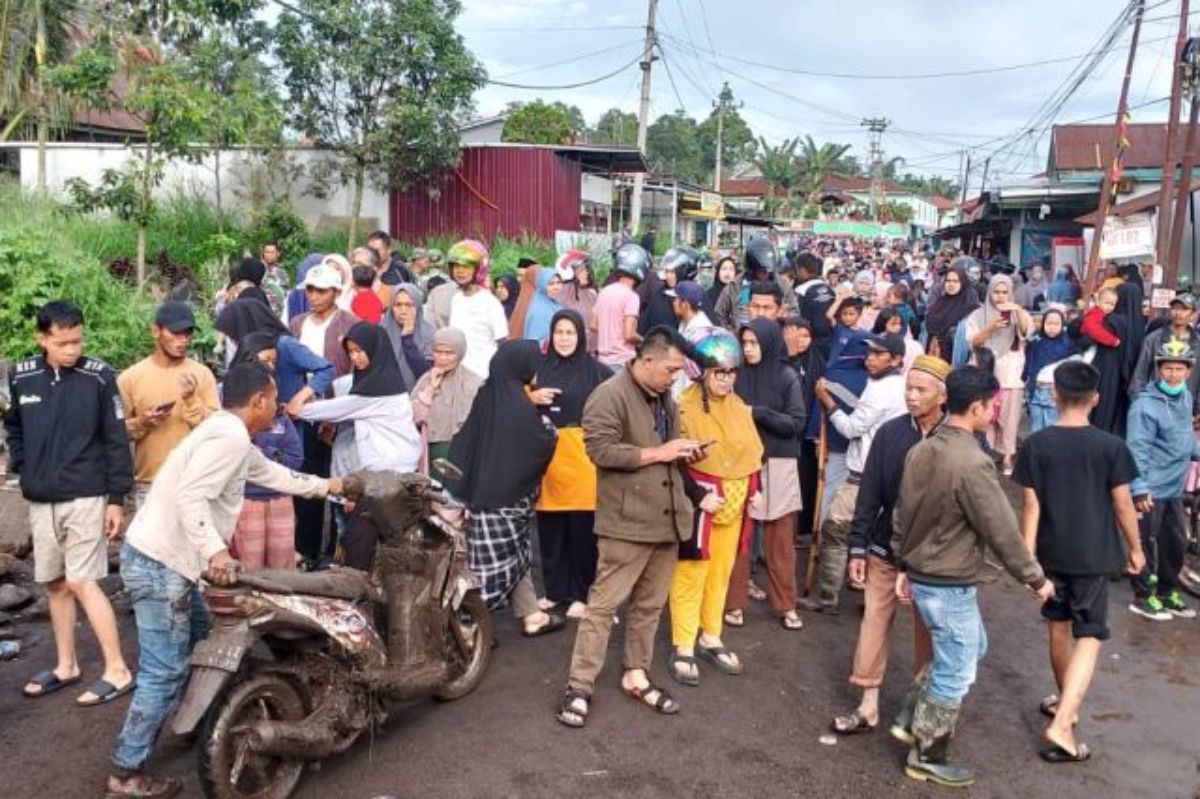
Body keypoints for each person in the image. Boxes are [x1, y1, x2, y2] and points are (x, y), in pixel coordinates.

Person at [105, 363, 342, 799]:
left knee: (201, 641)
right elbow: (190, 495)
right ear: (258, 402)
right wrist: (216, 551)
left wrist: (330, 485)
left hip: (163, 560)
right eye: (273, 398)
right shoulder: (229, 437)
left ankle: (203, 724)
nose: (276, 404)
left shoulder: (229, 432)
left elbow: (273, 474)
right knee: (164, 672)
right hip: (162, 565)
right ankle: (126, 772)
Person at [892, 365, 1053, 788]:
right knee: (957, 670)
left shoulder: (923, 448)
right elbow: (1001, 529)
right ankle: (928, 753)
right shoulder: (972, 462)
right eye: (991, 406)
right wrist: (1035, 578)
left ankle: (912, 714)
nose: (993, 412)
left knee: (970, 647)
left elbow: (900, 511)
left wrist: (903, 562)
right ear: (978, 407)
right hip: (947, 579)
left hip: (926, 572)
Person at [556, 327, 712, 728]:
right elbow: (600, 450)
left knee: (649, 606)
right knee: (603, 606)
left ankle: (635, 672)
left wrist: (684, 451)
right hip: (626, 523)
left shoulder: (664, 397)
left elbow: (669, 448)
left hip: (667, 519)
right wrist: (660, 451)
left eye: (679, 370)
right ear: (645, 361)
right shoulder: (609, 395)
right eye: (670, 369)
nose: (675, 376)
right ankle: (578, 686)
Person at [5, 301, 135, 707]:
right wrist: (25, 468)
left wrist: (116, 499)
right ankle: (66, 665)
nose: (72, 350)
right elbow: (14, 430)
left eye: (77, 341)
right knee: (55, 584)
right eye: (62, 343)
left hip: (85, 494)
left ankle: (117, 669)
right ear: (41, 339)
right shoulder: (22, 377)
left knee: (82, 580)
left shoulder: (98, 377)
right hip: (42, 497)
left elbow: (116, 439)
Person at [1015, 360, 1144, 764]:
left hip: (1051, 553)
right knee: (1090, 634)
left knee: (1058, 627)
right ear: (1096, 399)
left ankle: (1063, 704)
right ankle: (1064, 719)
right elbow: (1123, 503)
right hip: (1092, 555)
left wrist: (1026, 560)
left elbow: (1030, 505)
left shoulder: (1036, 444)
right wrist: (1136, 548)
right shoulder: (1111, 446)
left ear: (1054, 395)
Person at [831, 356, 944, 738]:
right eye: (908, 388)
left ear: (942, 396)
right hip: (883, 548)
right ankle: (868, 705)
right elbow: (870, 493)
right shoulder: (892, 433)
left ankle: (921, 708)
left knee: (928, 632)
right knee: (873, 622)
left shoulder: (956, 439)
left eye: (920, 390)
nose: (911, 396)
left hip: (931, 559)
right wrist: (858, 547)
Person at [448, 340, 563, 636]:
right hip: (505, 502)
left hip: (482, 496)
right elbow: (540, 445)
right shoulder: (518, 406)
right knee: (491, 573)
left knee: (517, 557)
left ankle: (532, 616)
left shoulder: (488, 395)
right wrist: (548, 427)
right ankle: (464, 630)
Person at [669, 331, 764, 686]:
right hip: (701, 506)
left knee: (720, 573)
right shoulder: (684, 406)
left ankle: (710, 633)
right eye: (718, 372)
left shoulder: (739, 406)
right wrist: (698, 496)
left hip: (735, 507)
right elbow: (676, 460)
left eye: (730, 372)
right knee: (691, 573)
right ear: (703, 372)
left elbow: (751, 454)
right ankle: (683, 643)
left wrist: (756, 490)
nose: (725, 379)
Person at [298, 323, 422, 569]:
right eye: (351, 352)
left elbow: (335, 409)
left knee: (360, 544)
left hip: (386, 481)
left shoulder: (376, 394)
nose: (355, 357)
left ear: (376, 351)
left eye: (360, 351)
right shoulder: (383, 384)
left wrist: (297, 406)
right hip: (388, 477)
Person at [803, 333, 907, 613]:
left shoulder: (884, 389)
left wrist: (828, 401)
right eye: (870, 353)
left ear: (895, 359)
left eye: (878, 354)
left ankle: (827, 597)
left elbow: (852, 428)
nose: (870, 358)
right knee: (876, 538)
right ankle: (870, 599)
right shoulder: (895, 385)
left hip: (866, 473)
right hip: (891, 472)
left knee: (836, 529)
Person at [727, 319, 806, 630]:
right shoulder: (735, 375)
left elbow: (796, 422)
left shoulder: (786, 376)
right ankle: (734, 603)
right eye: (744, 343)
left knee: (780, 540)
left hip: (779, 463)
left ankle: (786, 604)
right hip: (741, 463)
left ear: (769, 343)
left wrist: (757, 412)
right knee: (739, 536)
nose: (748, 349)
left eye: (754, 343)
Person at [533, 310, 613, 619]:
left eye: (570, 332)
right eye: (559, 332)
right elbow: (517, 401)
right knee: (551, 529)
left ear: (581, 335)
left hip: (583, 461)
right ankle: (555, 590)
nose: (564, 338)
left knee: (582, 532)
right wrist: (533, 398)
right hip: (548, 459)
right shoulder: (538, 371)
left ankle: (582, 592)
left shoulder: (598, 372)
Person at [288, 262, 359, 568]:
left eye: (322, 290)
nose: (315, 296)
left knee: (337, 484)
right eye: (311, 290)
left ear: (336, 292)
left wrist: (335, 418)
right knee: (305, 480)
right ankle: (304, 549)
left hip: (337, 413)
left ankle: (332, 552)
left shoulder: (348, 324)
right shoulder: (297, 324)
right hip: (301, 413)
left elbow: (355, 371)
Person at [1125, 337, 1200, 621]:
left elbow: (1185, 439)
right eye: (1167, 368)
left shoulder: (1186, 397)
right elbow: (1136, 450)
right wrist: (1140, 488)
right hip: (1150, 488)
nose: (1173, 374)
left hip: (1174, 487)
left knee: (1176, 543)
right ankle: (1142, 596)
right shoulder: (1144, 406)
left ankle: (1167, 592)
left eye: (1179, 369)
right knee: (1145, 545)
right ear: (1158, 369)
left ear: (1189, 371)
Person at [118, 302, 219, 507]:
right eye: (175, 333)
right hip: (151, 482)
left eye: (188, 333)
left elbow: (215, 429)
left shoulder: (202, 375)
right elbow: (116, 431)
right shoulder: (130, 378)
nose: (183, 340)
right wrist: (143, 423)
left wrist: (191, 400)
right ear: (156, 331)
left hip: (195, 480)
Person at [228, 333, 304, 571]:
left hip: (279, 497)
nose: (270, 367)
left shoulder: (280, 418)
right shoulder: (232, 414)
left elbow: (296, 458)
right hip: (246, 499)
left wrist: (264, 453)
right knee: (249, 565)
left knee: (281, 565)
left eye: (274, 362)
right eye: (266, 360)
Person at [964, 274, 1032, 475]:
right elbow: (973, 342)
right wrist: (991, 327)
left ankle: (1008, 456)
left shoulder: (1018, 312)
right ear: (989, 292)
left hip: (1011, 373)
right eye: (996, 291)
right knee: (986, 414)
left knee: (1009, 418)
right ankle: (987, 453)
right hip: (985, 372)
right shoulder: (978, 315)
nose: (1000, 296)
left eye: (1004, 292)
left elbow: (1027, 333)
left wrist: (1017, 311)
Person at [410, 327, 483, 480]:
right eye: (438, 351)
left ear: (460, 353)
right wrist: (431, 388)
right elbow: (412, 416)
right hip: (431, 449)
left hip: (464, 448)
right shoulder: (425, 380)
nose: (442, 358)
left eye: (449, 353)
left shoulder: (473, 382)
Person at [783, 316, 826, 541]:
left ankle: (803, 528)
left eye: (806, 336)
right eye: (796, 336)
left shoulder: (817, 359)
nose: (801, 341)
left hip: (809, 431)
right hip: (786, 429)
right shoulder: (782, 360)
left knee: (806, 479)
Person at [447, 239, 509, 379]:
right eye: (456, 266)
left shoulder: (490, 303)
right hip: (457, 375)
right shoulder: (456, 299)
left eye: (466, 266)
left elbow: (503, 343)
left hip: (483, 377)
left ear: (478, 269)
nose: (460, 271)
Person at [1129, 292, 1200, 396]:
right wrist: (1138, 400)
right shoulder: (1153, 339)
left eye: (1184, 309)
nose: (1178, 313)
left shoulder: (1197, 342)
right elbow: (1140, 375)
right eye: (1175, 308)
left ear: (1193, 314)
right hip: (1156, 400)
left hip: (1186, 402)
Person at [595, 243, 648, 370]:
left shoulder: (604, 291)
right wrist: (645, 341)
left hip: (601, 361)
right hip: (621, 362)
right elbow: (629, 334)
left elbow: (593, 324)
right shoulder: (631, 296)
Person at [1023, 309, 1077, 434]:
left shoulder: (1067, 344)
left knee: (1051, 425)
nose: (1052, 328)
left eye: (1056, 324)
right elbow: (1029, 363)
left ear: (1062, 325)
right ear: (1043, 324)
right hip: (1035, 390)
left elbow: (1071, 369)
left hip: (1055, 392)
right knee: (1035, 427)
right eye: (1049, 323)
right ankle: (1036, 452)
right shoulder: (1036, 341)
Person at [923, 257, 980, 363]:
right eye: (948, 281)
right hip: (935, 359)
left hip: (956, 361)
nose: (951, 284)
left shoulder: (970, 306)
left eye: (955, 281)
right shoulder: (939, 303)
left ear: (963, 282)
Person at [380, 283, 435, 391]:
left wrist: (407, 339)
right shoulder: (381, 331)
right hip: (386, 396)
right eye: (398, 305)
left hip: (418, 397)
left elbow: (424, 373)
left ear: (417, 306)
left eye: (409, 305)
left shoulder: (429, 333)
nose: (403, 311)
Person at [795, 252, 837, 356]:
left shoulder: (801, 291)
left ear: (802, 270)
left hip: (811, 342)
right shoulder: (829, 289)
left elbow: (798, 317)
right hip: (831, 340)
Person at [523, 268, 565, 344]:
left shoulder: (554, 304)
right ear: (542, 286)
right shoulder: (539, 311)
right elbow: (535, 343)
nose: (556, 287)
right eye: (551, 284)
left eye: (559, 282)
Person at [705, 255, 738, 329]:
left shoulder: (739, 293)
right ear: (718, 273)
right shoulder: (709, 294)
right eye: (724, 269)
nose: (727, 272)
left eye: (731, 269)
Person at [259, 241, 289, 317]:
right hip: (261, 311)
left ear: (277, 254)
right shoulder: (258, 269)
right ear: (263, 253)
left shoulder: (282, 272)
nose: (269, 255)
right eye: (267, 252)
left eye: (272, 252)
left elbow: (285, 292)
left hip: (278, 313)